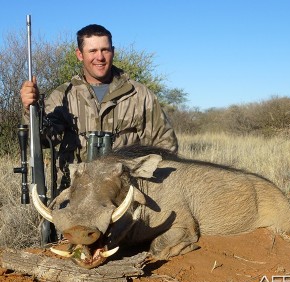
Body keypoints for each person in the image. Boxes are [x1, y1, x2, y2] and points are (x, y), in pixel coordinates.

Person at [20, 24, 178, 189]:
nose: (100, 57)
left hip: (124, 192)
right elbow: (43, 140)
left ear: (113, 51)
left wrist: (150, 186)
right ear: (80, 55)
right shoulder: (63, 95)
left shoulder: (139, 94)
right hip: (74, 191)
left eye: (105, 50)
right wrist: (31, 109)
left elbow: (166, 145)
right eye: (92, 51)